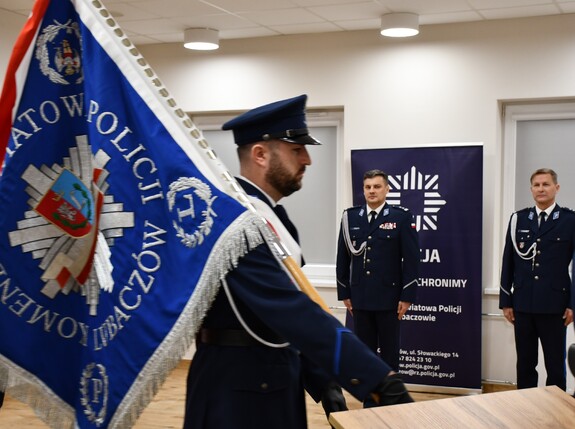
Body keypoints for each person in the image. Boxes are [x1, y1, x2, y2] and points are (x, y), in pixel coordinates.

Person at [183, 95, 413, 429]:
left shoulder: (272, 217)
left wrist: (321, 379)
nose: (308, 159)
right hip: (234, 395)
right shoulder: (235, 222)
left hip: (273, 380)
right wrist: (378, 379)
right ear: (260, 154)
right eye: (296, 149)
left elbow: (285, 318)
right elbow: (290, 308)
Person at [336, 169, 419, 374]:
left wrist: (407, 296)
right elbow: (342, 258)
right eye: (368, 187)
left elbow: (412, 260)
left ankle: (389, 394)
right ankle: (369, 394)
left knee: (390, 354)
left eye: (377, 186)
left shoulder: (401, 217)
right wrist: (344, 292)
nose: (372, 191)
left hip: (389, 299)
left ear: (387, 189)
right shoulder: (350, 217)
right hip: (360, 297)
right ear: (363, 190)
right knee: (364, 354)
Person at [500, 167, 574, 391]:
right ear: (531, 189)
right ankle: (525, 407)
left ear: (556, 188)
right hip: (522, 305)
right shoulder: (519, 219)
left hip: (555, 306)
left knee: (555, 365)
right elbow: (508, 261)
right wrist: (506, 301)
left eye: (546, 184)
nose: (541, 189)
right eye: (536, 185)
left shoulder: (569, 220)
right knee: (525, 364)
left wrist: (573, 304)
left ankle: (556, 407)